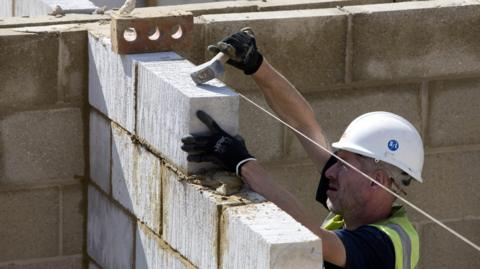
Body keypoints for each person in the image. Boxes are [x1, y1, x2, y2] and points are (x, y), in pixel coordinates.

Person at [181, 30, 424, 269]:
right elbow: (304, 125)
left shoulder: (386, 244)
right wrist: (256, 65)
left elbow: (312, 236)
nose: (329, 171)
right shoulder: (354, 206)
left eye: (344, 165)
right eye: (337, 161)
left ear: (377, 181)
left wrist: (243, 164)